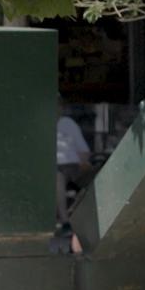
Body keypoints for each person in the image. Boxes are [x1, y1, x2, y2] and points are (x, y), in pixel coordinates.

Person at [56, 96, 93, 231]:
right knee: (57, 178)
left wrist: (84, 163)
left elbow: (84, 150)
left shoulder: (68, 123)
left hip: (73, 166)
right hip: (54, 169)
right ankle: (65, 222)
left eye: (59, 105)